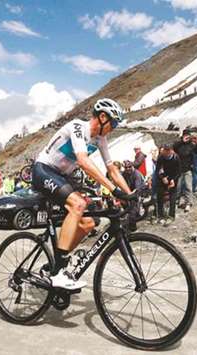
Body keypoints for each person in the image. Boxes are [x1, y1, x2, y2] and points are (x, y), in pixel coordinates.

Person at [31, 98, 133, 290]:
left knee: (88, 222)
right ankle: (59, 271)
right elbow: (84, 162)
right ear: (102, 117)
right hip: (43, 170)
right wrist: (113, 190)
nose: (114, 127)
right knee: (78, 205)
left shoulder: (100, 140)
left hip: (63, 176)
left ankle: (54, 266)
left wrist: (130, 195)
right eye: (114, 123)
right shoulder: (78, 127)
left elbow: (112, 169)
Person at [155, 144, 181, 225]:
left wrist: (172, 180)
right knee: (160, 196)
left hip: (173, 177)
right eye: (165, 151)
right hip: (163, 177)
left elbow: (178, 171)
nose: (166, 153)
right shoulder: (161, 157)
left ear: (171, 151)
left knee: (172, 197)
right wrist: (162, 177)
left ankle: (171, 216)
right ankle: (160, 215)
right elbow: (158, 169)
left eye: (168, 151)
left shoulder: (176, 158)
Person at [173, 130, 194, 211]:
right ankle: (176, 202)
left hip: (187, 169)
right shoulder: (178, 144)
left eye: (188, 136)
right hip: (178, 169)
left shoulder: (191, 145)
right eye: (186, 136)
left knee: (188, 187)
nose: (187, 137)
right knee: (178, 187)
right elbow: (174, 148)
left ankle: (188, 203)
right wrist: (182, 141)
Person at [122, 160, 145, 231]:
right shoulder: (124, 174)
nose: (128, 168)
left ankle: (133, 227)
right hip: (129, 190)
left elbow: (137, 187)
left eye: (129, 167)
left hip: (139, 189)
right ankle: (134, 216)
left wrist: (130, 194)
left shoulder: (136, 174)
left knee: (133, 206)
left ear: (132, 166)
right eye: (126, 167)